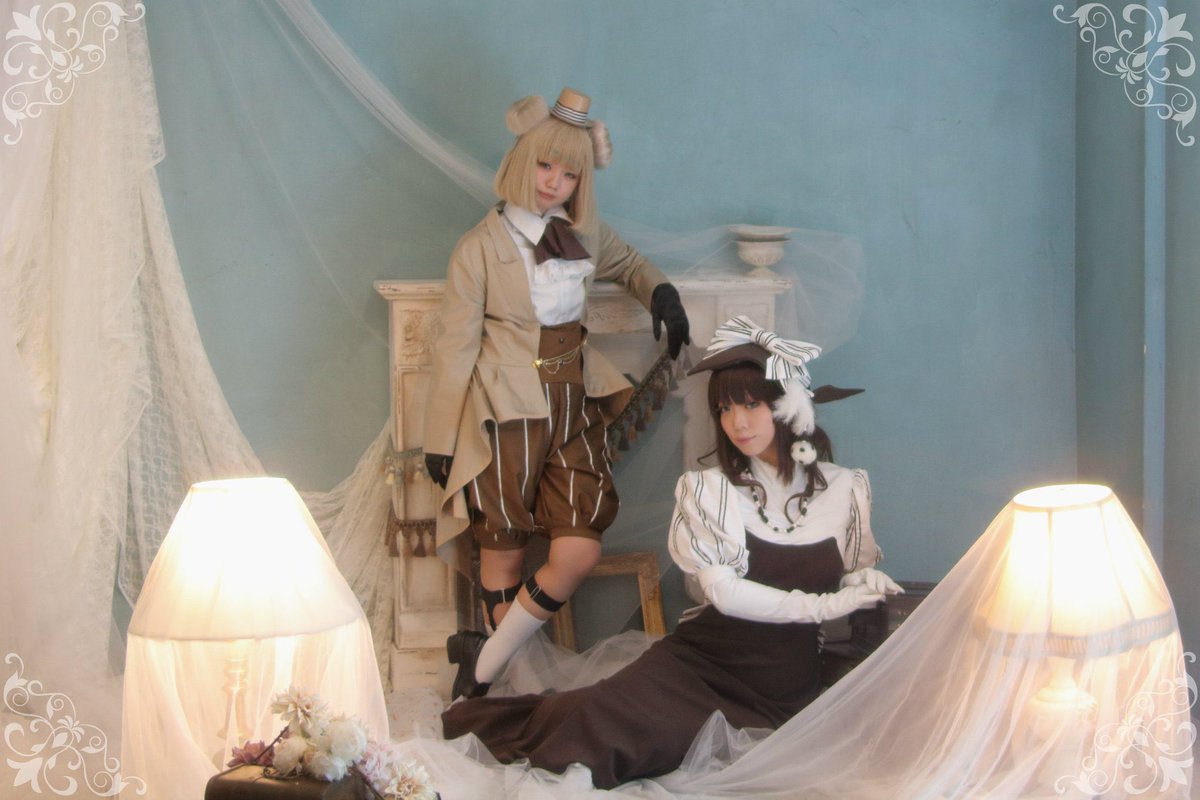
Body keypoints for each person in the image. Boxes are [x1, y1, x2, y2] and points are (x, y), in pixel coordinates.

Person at [440, 316, 903, 790]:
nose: (737, 423)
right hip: (700, 665)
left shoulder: (845, 489)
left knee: (621, 737)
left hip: (781, 690)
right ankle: (499, 711)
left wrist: (862, 582)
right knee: (593, 733)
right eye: (724, 408)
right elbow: (725, 594)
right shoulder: (711, 491)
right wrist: (826, 606)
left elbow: (845, 570)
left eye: (751, 404)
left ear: (789, 405)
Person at [422, 87, 691, 701]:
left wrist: (662, 294)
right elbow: (455, 350)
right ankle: (507, 691)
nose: (554, 183)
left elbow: (631, 264)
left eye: (570, 174)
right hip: (505, 411)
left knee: (577, 550)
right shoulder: (479, 248)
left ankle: (481, 661)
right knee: (504, 551)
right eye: (546, 166)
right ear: (522, 160)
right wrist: (440, 441)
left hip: (572, 403)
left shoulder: (583, 232)